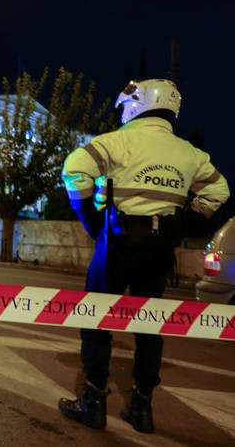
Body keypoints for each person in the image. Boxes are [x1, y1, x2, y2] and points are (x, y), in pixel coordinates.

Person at [58, 79, 230, 433]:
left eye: (126, 105)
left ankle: (93, 402)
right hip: (159, 249)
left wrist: (91, 221)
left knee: (97, 320)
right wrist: (182, 223)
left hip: (117, 245)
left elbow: (74, 168)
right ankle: (141, 407)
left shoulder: (116, 141)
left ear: (138, 104)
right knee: (149, 326)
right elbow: (219, 189)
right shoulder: (189, 153)